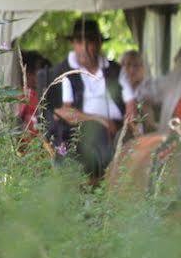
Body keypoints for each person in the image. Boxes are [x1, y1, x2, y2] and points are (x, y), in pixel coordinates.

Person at [42, 17, 132, 179]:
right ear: (73, 44)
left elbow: (131, 104)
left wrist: (130, 126)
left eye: (89, 41)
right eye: (78, 41)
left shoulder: (115, 70)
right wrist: (100, 120)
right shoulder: (65, 72)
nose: (83, 47)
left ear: (99, 43)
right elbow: (65, 112)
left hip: (118, 129)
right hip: (84, 131)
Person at [117, 49, 147, 132]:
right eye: (128, 65)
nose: (132, 69)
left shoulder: (149, 89)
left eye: (136, 65)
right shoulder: (116, 92)